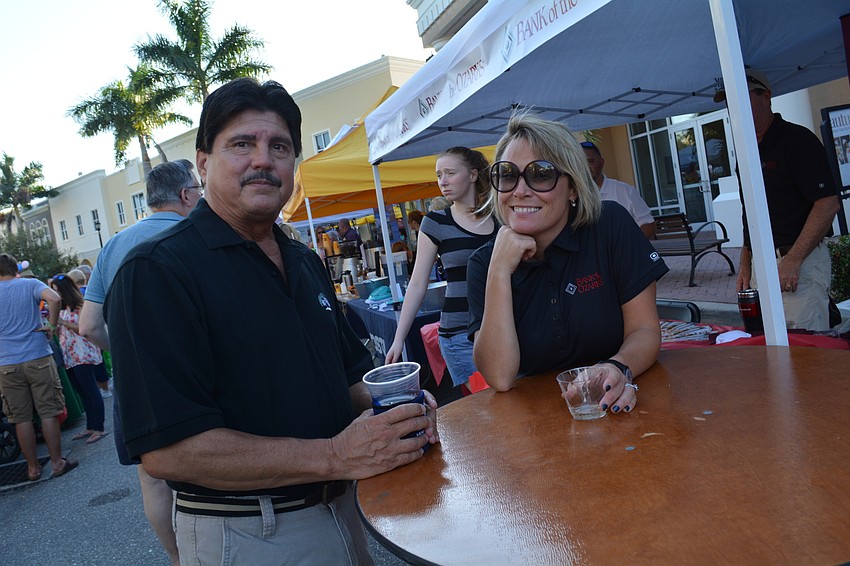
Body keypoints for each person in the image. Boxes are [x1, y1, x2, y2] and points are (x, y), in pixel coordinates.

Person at [104, 77, 438, 564]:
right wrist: (336, 455)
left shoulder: (303, 262)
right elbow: (169, 449)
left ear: (292, 166)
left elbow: (342, 383)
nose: (263, 159)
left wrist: (398, 405)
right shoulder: (156, 271)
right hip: (248, 533)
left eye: (278, 146)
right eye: (242, 144)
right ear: (203, 164)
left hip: (343, 510)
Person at [467, 113, 669, 413]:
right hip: (534, 427)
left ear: (573, 188)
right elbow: (499, 376)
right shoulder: (484, 262)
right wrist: (499, 270)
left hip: (621, 403)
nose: (520, 190)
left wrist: (618, 367)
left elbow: (645, 331)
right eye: (507, 174)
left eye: (540, 173)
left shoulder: (610, 225)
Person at [78, 158, 201, 566]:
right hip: (199, 368)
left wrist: (127, 352)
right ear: (185, 196)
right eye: (197, 190)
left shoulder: (112, 246)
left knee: (152, 474)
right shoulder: (198, 233)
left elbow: (89, 326)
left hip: (136, 381)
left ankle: (178, 558)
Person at [714, 69, 840, 330]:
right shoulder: (747, 151)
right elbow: (749, 211)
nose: (734, 106)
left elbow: (827, 204)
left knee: (807, 353)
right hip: (763, 267)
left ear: (766, 96)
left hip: (799, 265)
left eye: (741, 97)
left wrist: (793, 260)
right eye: (730, 101)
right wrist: (746, 264)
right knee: (772, 350)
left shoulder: (797, 140)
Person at [386, 147, 498, 392]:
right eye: (439, 175)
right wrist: (398, 339)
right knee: (488, 407)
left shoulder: (498, 219)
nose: (442, 182)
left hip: (502, 328)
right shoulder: (436, 222)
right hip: (460, 336)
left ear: (472, 175)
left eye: (450, 173)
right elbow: (417, 284)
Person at [0, 253, 78, 481]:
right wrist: (51, 325)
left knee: (20, 418)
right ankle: (56, 463)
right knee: (48, 411)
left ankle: (32, 468)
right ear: (16, 269)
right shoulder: (29, 284)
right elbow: (54, 299)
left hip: (6, 364)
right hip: (37, 357)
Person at [50, 274, 108, 444]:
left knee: (90, 390)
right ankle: (91, 425)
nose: (56, 295)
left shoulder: (80, 305)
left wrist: (63, 323)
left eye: (57, 290)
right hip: (69, 354)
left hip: (83, 353)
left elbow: (83, 329)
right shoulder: (61, 308)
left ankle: (99, 427)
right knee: (82, 391)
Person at [581, 141, 657, 238]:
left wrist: (626, 245)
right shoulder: (572, 196)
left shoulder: (625, 191)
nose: (585, 167)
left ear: (602, 163)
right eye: (580, 163)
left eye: (590, 161)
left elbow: (649, 225)